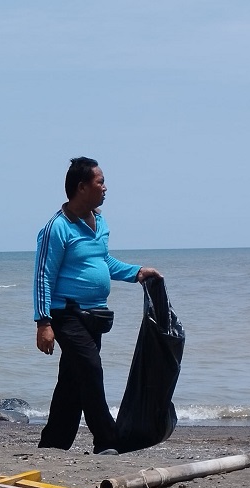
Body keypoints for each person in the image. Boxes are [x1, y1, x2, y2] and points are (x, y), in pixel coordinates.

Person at [33, 157, 162, 455]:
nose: (105, 187)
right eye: (100, 182)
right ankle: (108, 439)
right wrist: (43, 323)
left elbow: (103, 262)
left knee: (73, 381)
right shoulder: (57, 228)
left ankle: (53, 444)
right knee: (91, 369)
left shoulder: (99, 222)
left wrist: (136, 273)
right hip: (66, 314)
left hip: (95, 316)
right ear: (81, 187)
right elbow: (43, 276)